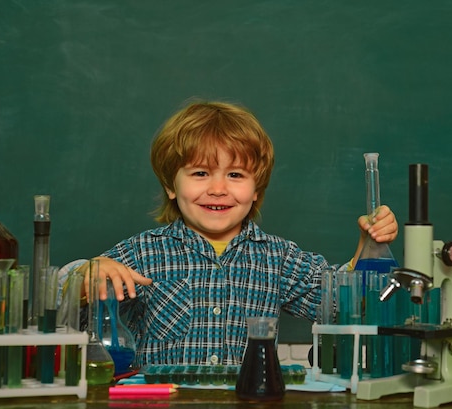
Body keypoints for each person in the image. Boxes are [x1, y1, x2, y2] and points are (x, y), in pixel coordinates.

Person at [60, 100, 398, 368]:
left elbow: (340, 305)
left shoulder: (277, 258)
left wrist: (367, 248)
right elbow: (63, 298)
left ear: (256, 190)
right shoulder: (143, 253)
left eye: (235, 174)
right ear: (170, 186)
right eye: (201, 173)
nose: (218, 189)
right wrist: (84, 275)